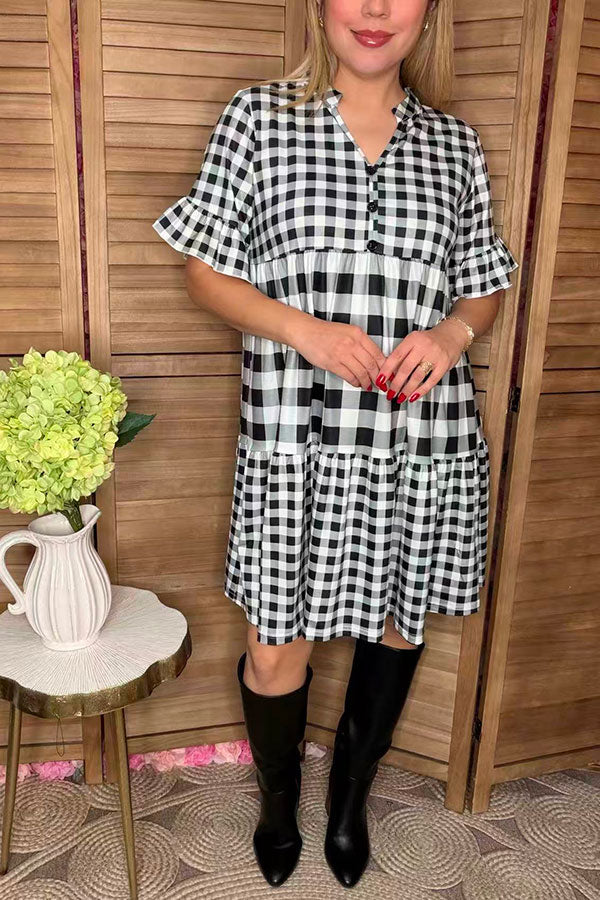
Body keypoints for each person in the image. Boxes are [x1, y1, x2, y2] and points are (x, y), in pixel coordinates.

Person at [152, 0, 519, 889]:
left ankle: (350, 799)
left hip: (420, 438)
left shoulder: (455, 145)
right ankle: (279, 802)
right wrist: (304, 330)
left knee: (396, 624)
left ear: (428, 11)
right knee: (277, 643)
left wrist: (452, 336)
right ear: (321, 6)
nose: (377, 9)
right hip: (294, 435)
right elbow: (203, 272)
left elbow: (482, 286)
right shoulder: (258, 118)